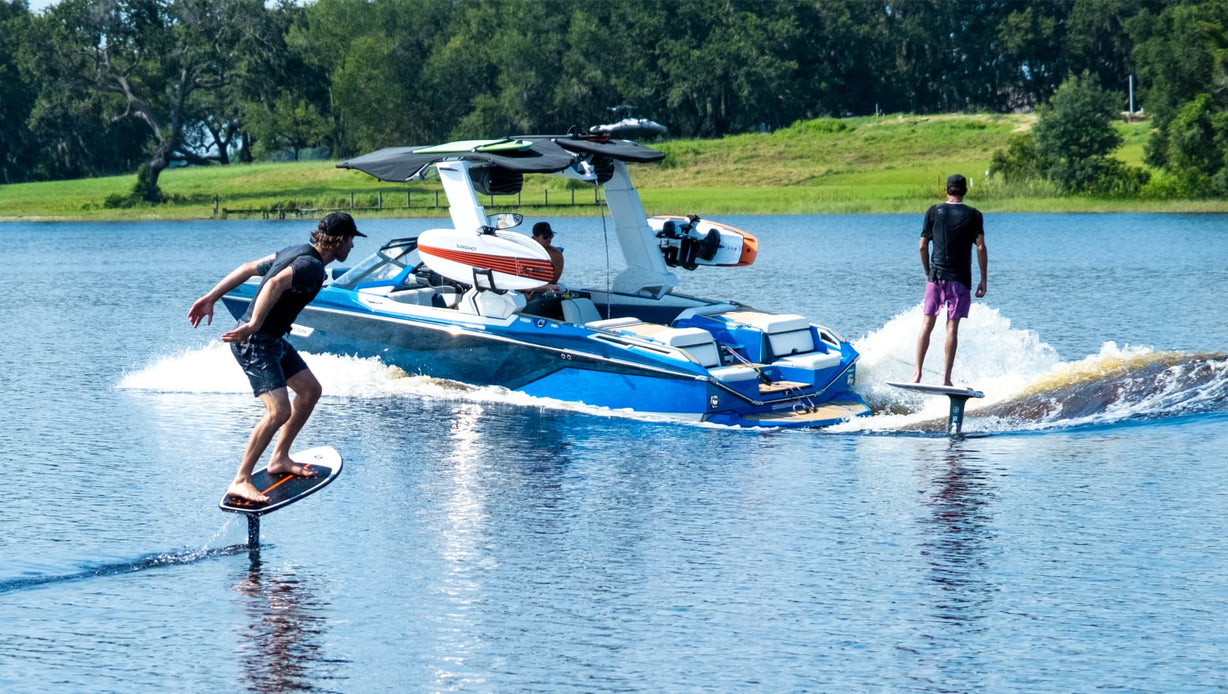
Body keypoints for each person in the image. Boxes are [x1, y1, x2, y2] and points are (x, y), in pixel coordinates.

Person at [188, 212, 365, 503]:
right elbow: (273, 284)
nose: (352, 248)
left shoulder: (296, 252)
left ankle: (280, 457)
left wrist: (211, 297)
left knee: (310, 391)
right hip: (256, 342)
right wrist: (255, 323)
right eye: (351, 241)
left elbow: (247, 268)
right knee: (278, 411)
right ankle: (240, 479)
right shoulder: (311, 266)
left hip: (273, 339)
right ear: (339, 241)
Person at [912, 174, 988, 386]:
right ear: (965, 191)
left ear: (946, 190)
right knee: (952, 328)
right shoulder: (974, 215)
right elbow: (980, 247)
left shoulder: (933, 211)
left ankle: (917, 374)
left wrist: (929, 273)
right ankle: (946, 379)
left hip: (935, 277)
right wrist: (984, 279)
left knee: (927, 323)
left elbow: (922, 246)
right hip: (960, 279)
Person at [531, 221, 564, 285]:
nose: (549, 239)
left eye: (551, 236)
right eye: (545, 236)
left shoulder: (556, 254)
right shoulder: (525, 250)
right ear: (535, 237)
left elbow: (553, 281)